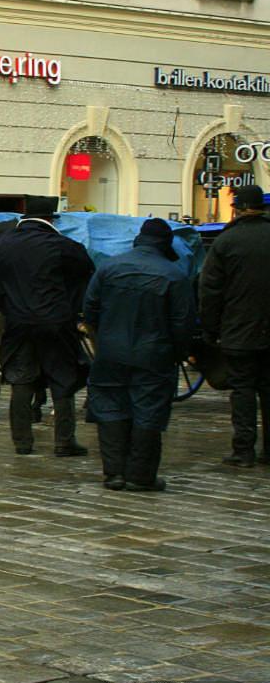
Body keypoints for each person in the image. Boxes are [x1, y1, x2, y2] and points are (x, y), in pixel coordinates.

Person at [83, 219, 195, 492]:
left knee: (110, 407)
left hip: (110, 351)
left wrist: (103, 338)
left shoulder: (109, 267)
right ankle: (140, 475)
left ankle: (114, 474)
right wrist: (178, 353)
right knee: (149, 411)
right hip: (154, 353)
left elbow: (90, 308)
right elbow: (183, 323)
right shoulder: (174, 274)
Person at [0, 212, 95, 456]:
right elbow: (85, 274)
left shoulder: (2, 245)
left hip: (18, 323)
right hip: (56, 322)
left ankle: (22, 441)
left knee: (21, 379)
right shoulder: (63, 246)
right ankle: (64, 441)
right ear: (50, 220)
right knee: (62, 378)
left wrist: (1, 302)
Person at [199, 183, 270, 468]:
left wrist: (210, 328)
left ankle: (244, 449)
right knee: (268, 388)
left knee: (242, 390)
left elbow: (210, 290)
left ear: (237, 209)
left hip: (239, 330)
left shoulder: (226, 242)